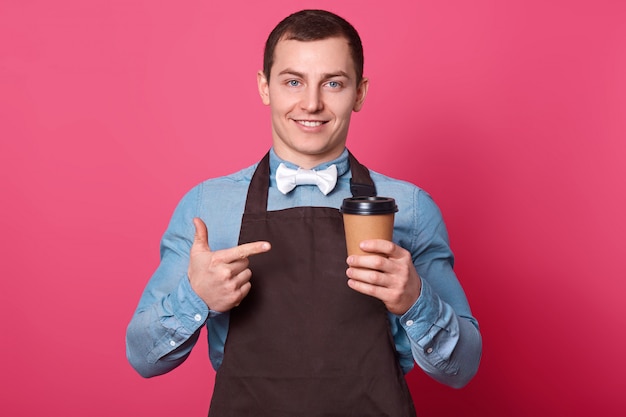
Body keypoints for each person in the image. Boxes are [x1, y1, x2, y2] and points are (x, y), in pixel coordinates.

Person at [126, 9, 482, 416]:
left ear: (360, 93)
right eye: (293, 82)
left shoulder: (411, 208)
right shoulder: (208, 206)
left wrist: (416, 300)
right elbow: (143, 358)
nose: (311, 104)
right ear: (265, 87)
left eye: (333, 83)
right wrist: (197, 297)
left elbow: (462, 369)